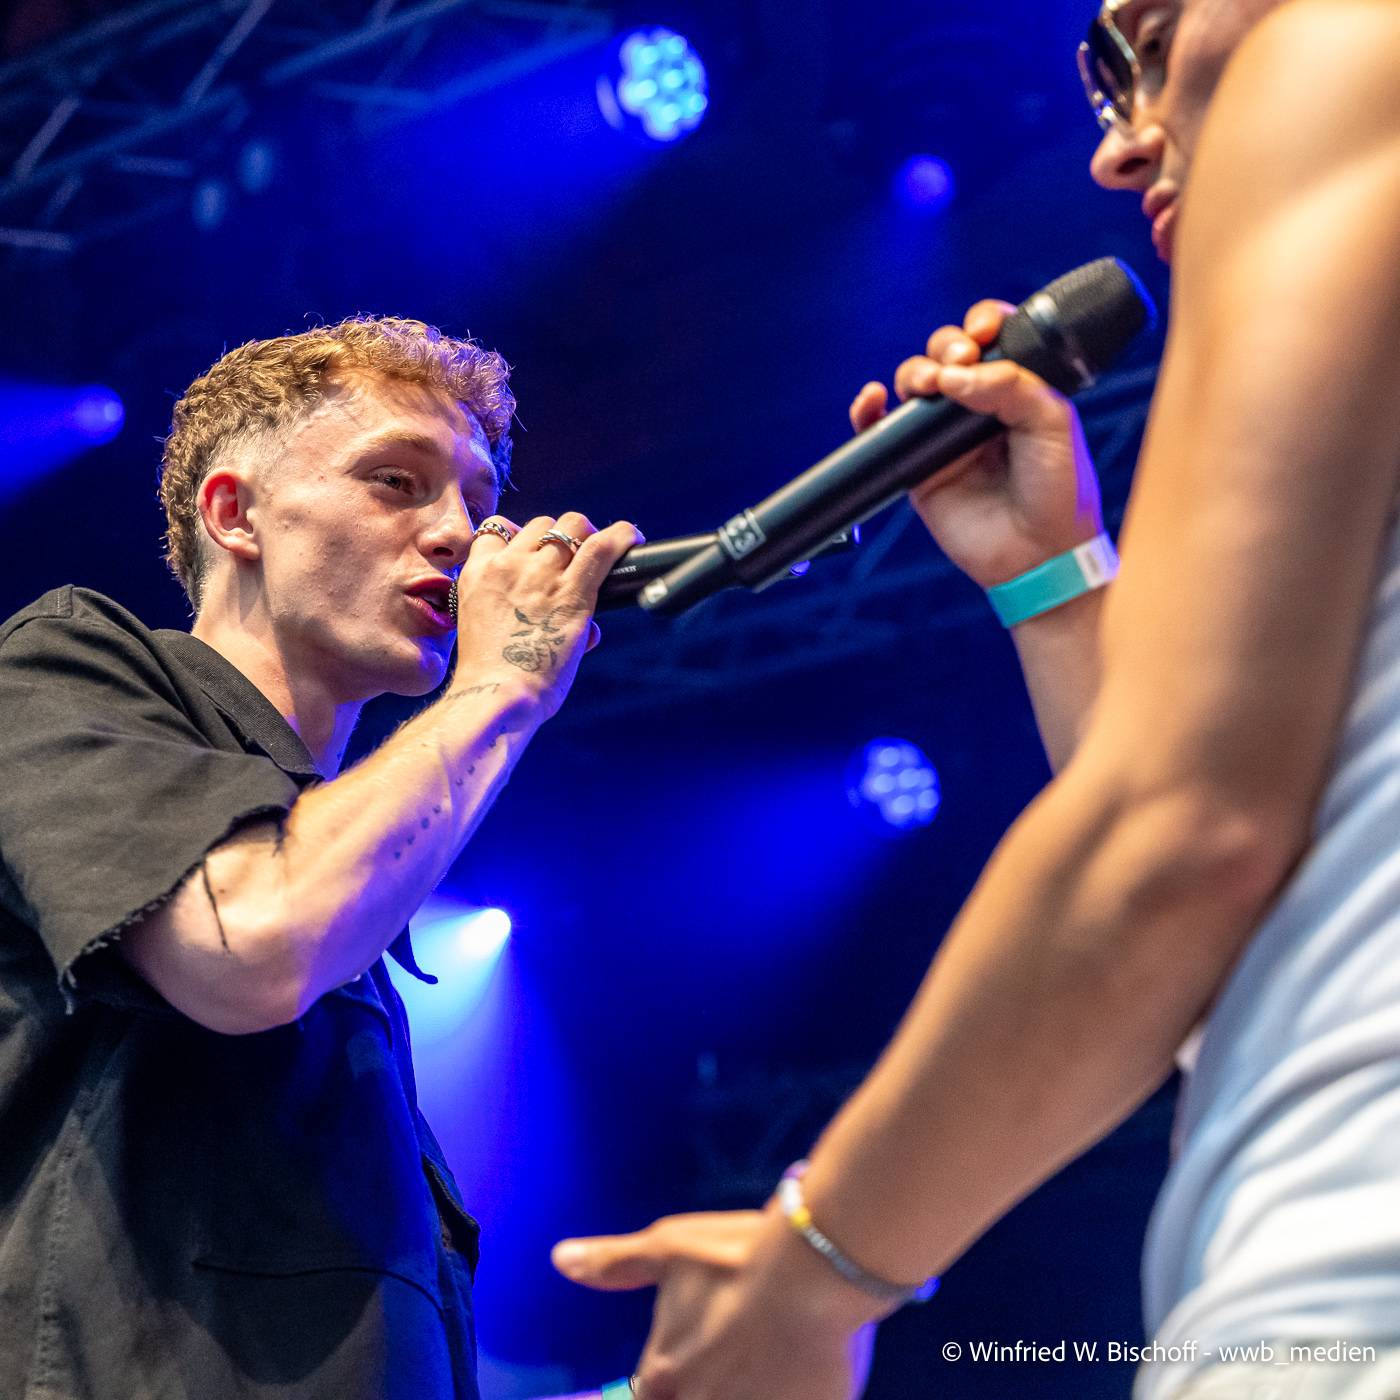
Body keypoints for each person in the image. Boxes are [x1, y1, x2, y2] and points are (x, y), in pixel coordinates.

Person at [551, 2, 1400, 1397]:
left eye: (1147, 41)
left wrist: (814, 1269)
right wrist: (1048, 578)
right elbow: (1233, 916)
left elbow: (1174, 839)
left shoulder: (1344, 46)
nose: (1116, 146)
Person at [0, 316, 641, 1399]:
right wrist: (502, 687)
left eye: (478, 502)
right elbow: (250, 944)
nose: (461, 536)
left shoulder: (355, 873)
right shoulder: (64, 666)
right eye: (397, 481)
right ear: (234, 513)